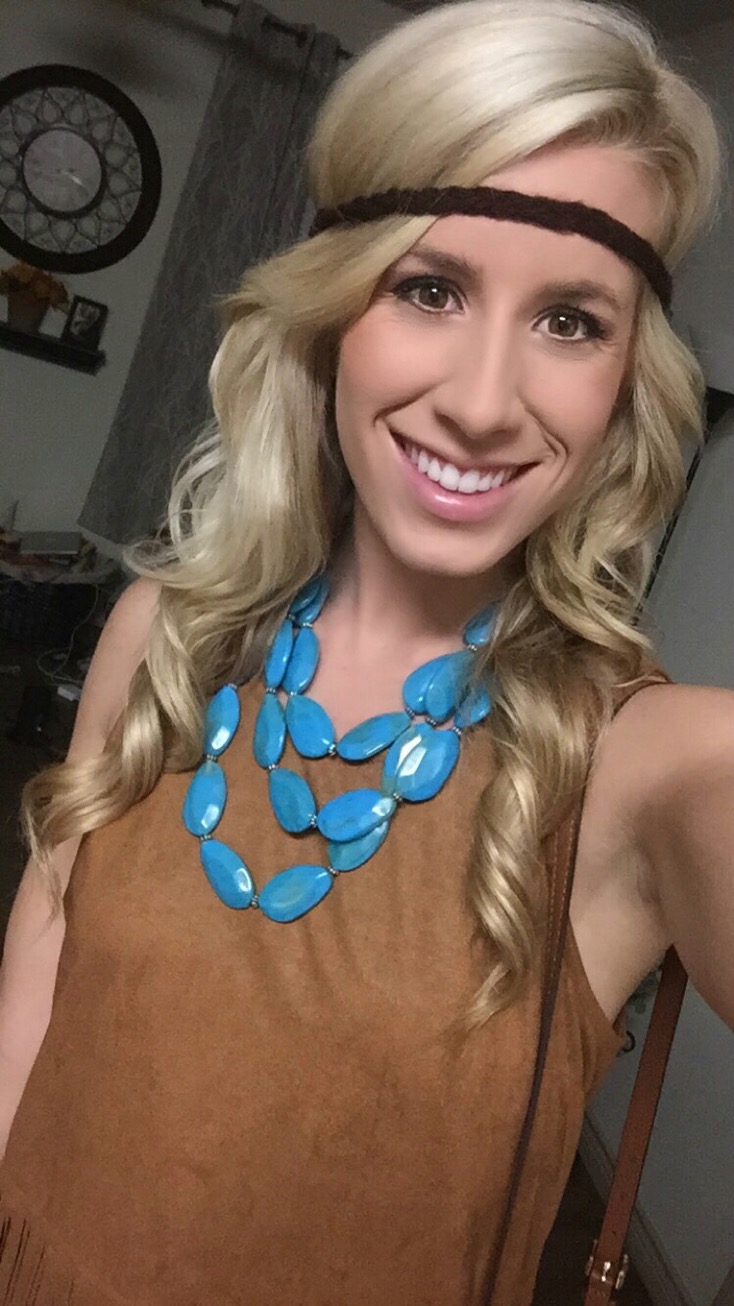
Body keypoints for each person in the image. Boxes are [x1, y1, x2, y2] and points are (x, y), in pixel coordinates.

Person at [0, 0, 732, 1302]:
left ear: (628, 376)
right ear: (333, 311)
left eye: (570, 320)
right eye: (429, 288)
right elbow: (52, 930)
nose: (482, 401)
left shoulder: (648, 762)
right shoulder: (166, 634)